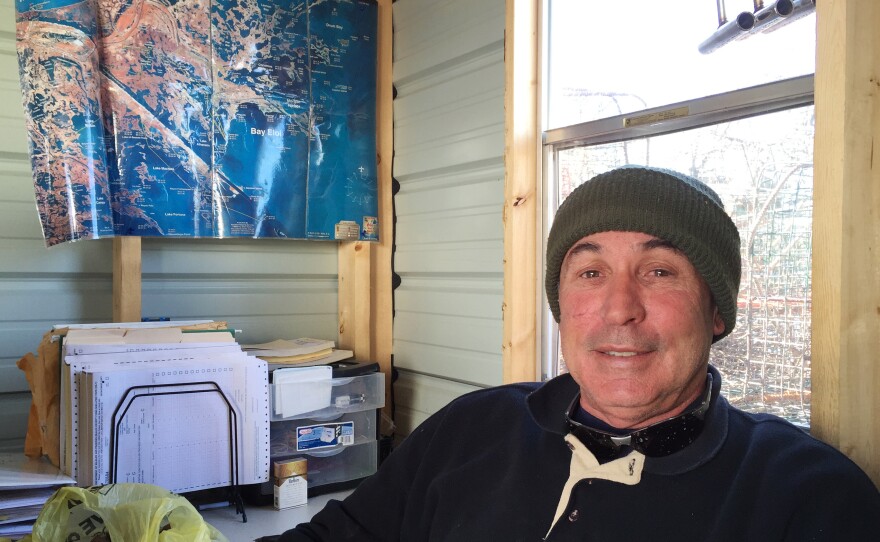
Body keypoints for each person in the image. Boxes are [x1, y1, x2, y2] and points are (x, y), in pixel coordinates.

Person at [271, 166, 880, 541]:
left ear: (716, 311)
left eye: (660, 271)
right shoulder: (470, 429)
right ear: (561, 304)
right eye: (590, 272)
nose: (620, 309)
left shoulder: (809, 497)